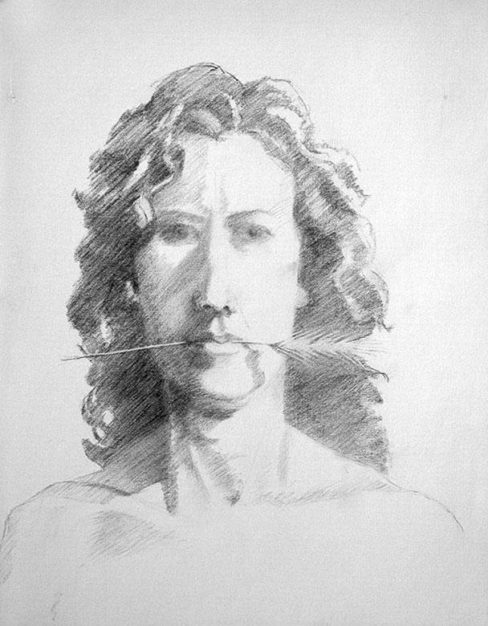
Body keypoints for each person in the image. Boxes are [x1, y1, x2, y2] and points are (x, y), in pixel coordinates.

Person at [0, 64, 472, 625]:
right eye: (176, 232)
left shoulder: (407, 537)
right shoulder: (51, 538)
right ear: (130, 279)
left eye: (252, 233)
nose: (214, 293)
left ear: (307, 269)